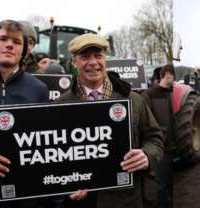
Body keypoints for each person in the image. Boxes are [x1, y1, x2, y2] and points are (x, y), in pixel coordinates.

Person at [56, 33, 164, 208]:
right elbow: (52, 155)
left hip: (126, 200)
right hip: (82, 203)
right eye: (84, 57)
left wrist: (147, 155)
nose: (93, 62)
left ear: (105, 60)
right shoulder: (60, 105)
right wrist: (66, 183)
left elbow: (155, 139)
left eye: (98, 56)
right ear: (74, 62)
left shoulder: (133, 99)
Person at [0, 20, 62, 208]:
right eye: (3, 38)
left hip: (24, 198)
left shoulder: (38, 89)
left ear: (24, 51)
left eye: (17, 42)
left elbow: (47, 144)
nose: (10, 44)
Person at [141, 64, 176, 208]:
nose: (174, 80)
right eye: (173, 76)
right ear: (167, 75)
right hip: (159, 146)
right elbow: (146, 123)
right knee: (160, 185)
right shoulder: (149, 95)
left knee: (169, 183)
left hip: (171, 146)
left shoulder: (171, 93)